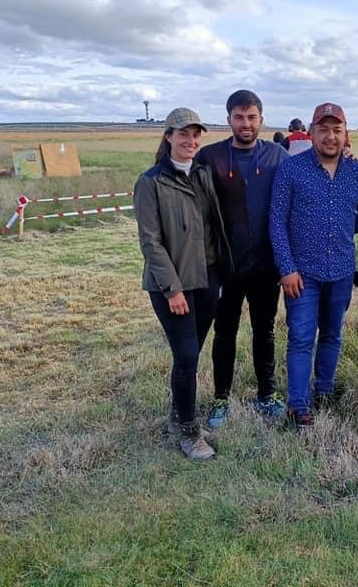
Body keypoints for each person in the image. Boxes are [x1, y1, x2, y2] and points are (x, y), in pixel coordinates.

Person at [135, 108, 232, 459]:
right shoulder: (151, 182)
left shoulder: (203, 174)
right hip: (173, 286)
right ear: (168, 137)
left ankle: (179, 416)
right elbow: (151, 242)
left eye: (195, 135)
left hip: (206, 278)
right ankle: (190, 434)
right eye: (182, 134)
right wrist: (172, 289)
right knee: (188, 356)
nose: (190, 141)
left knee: (187, 357)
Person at [270, 102, 358, 427]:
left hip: (342, 271)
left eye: (337, 130)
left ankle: (325, 391)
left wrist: (341, 230)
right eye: (324, 129)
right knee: (301, 337)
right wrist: (286, 268)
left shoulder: (356, 172)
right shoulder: (291, 169)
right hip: (302, 274)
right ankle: (298, 405)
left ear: (345, 134)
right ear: (312, 132)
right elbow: (276, 221)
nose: (331, 136)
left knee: (332, 335)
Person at [197, 90, 288, 428]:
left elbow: (309, 174)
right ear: (228, 119)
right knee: (225, 332)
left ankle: (267, 393)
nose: (246, 123)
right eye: (239, 117)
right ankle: (221, 397)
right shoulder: (210, 157)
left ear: (261, 119)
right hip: (226, 265)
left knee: (264, 331)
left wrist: (345, 156)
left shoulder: (278, 155)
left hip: (266, 264)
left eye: (251, 117)